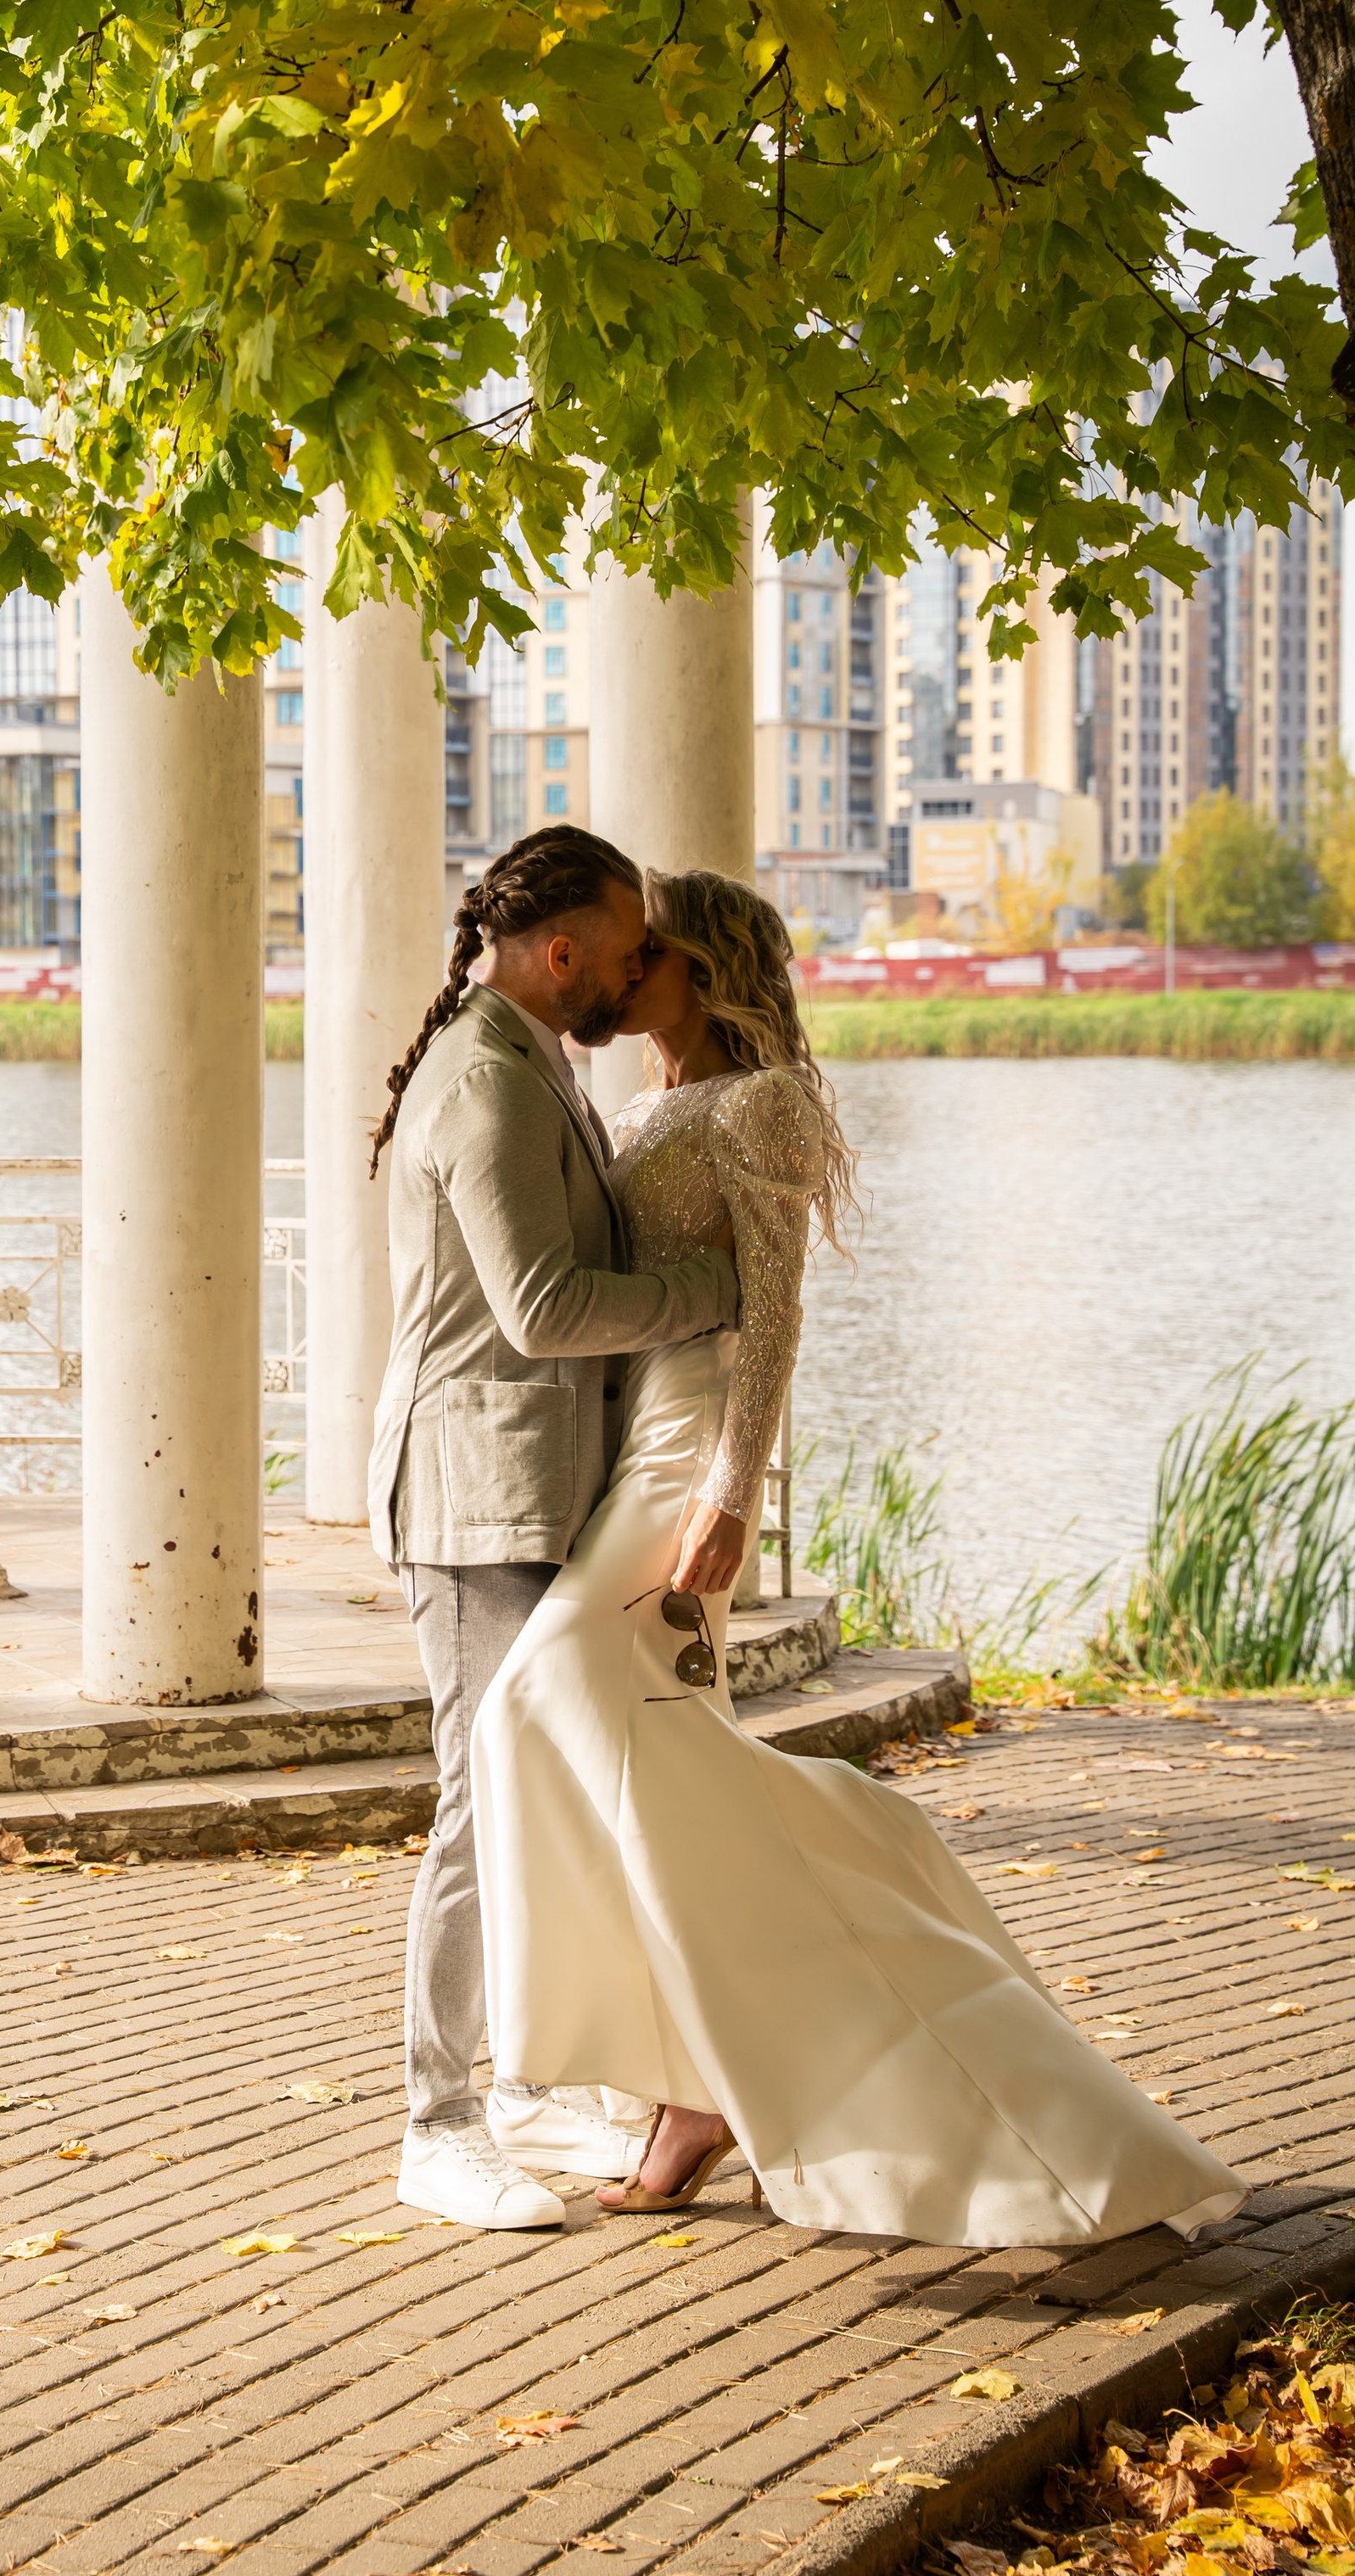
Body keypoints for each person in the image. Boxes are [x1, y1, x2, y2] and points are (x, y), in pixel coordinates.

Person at [468, 868, 1245, 2246]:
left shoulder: (756, 1102)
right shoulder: (644, 1098)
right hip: (630, 1442)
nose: (625, 971)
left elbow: (774, 1317)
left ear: (704, 966)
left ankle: (787, 1955)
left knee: (546, 1701)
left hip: (686, 1453)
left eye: (650, 953)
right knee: (621, 1747)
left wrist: (734, 1494)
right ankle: (693, 2085)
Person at [368, 826, 742, 2233]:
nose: (641, 968)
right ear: (565, 950)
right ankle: (436, 2122)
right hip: (475, 1500)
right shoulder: (487, 1081)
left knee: (554, 1798)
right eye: (631, 944)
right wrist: (713, 1289)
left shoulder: (543, 1063)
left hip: (542, 1492)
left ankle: (536, 2083)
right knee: (479, 1803)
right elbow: (542, 1310)